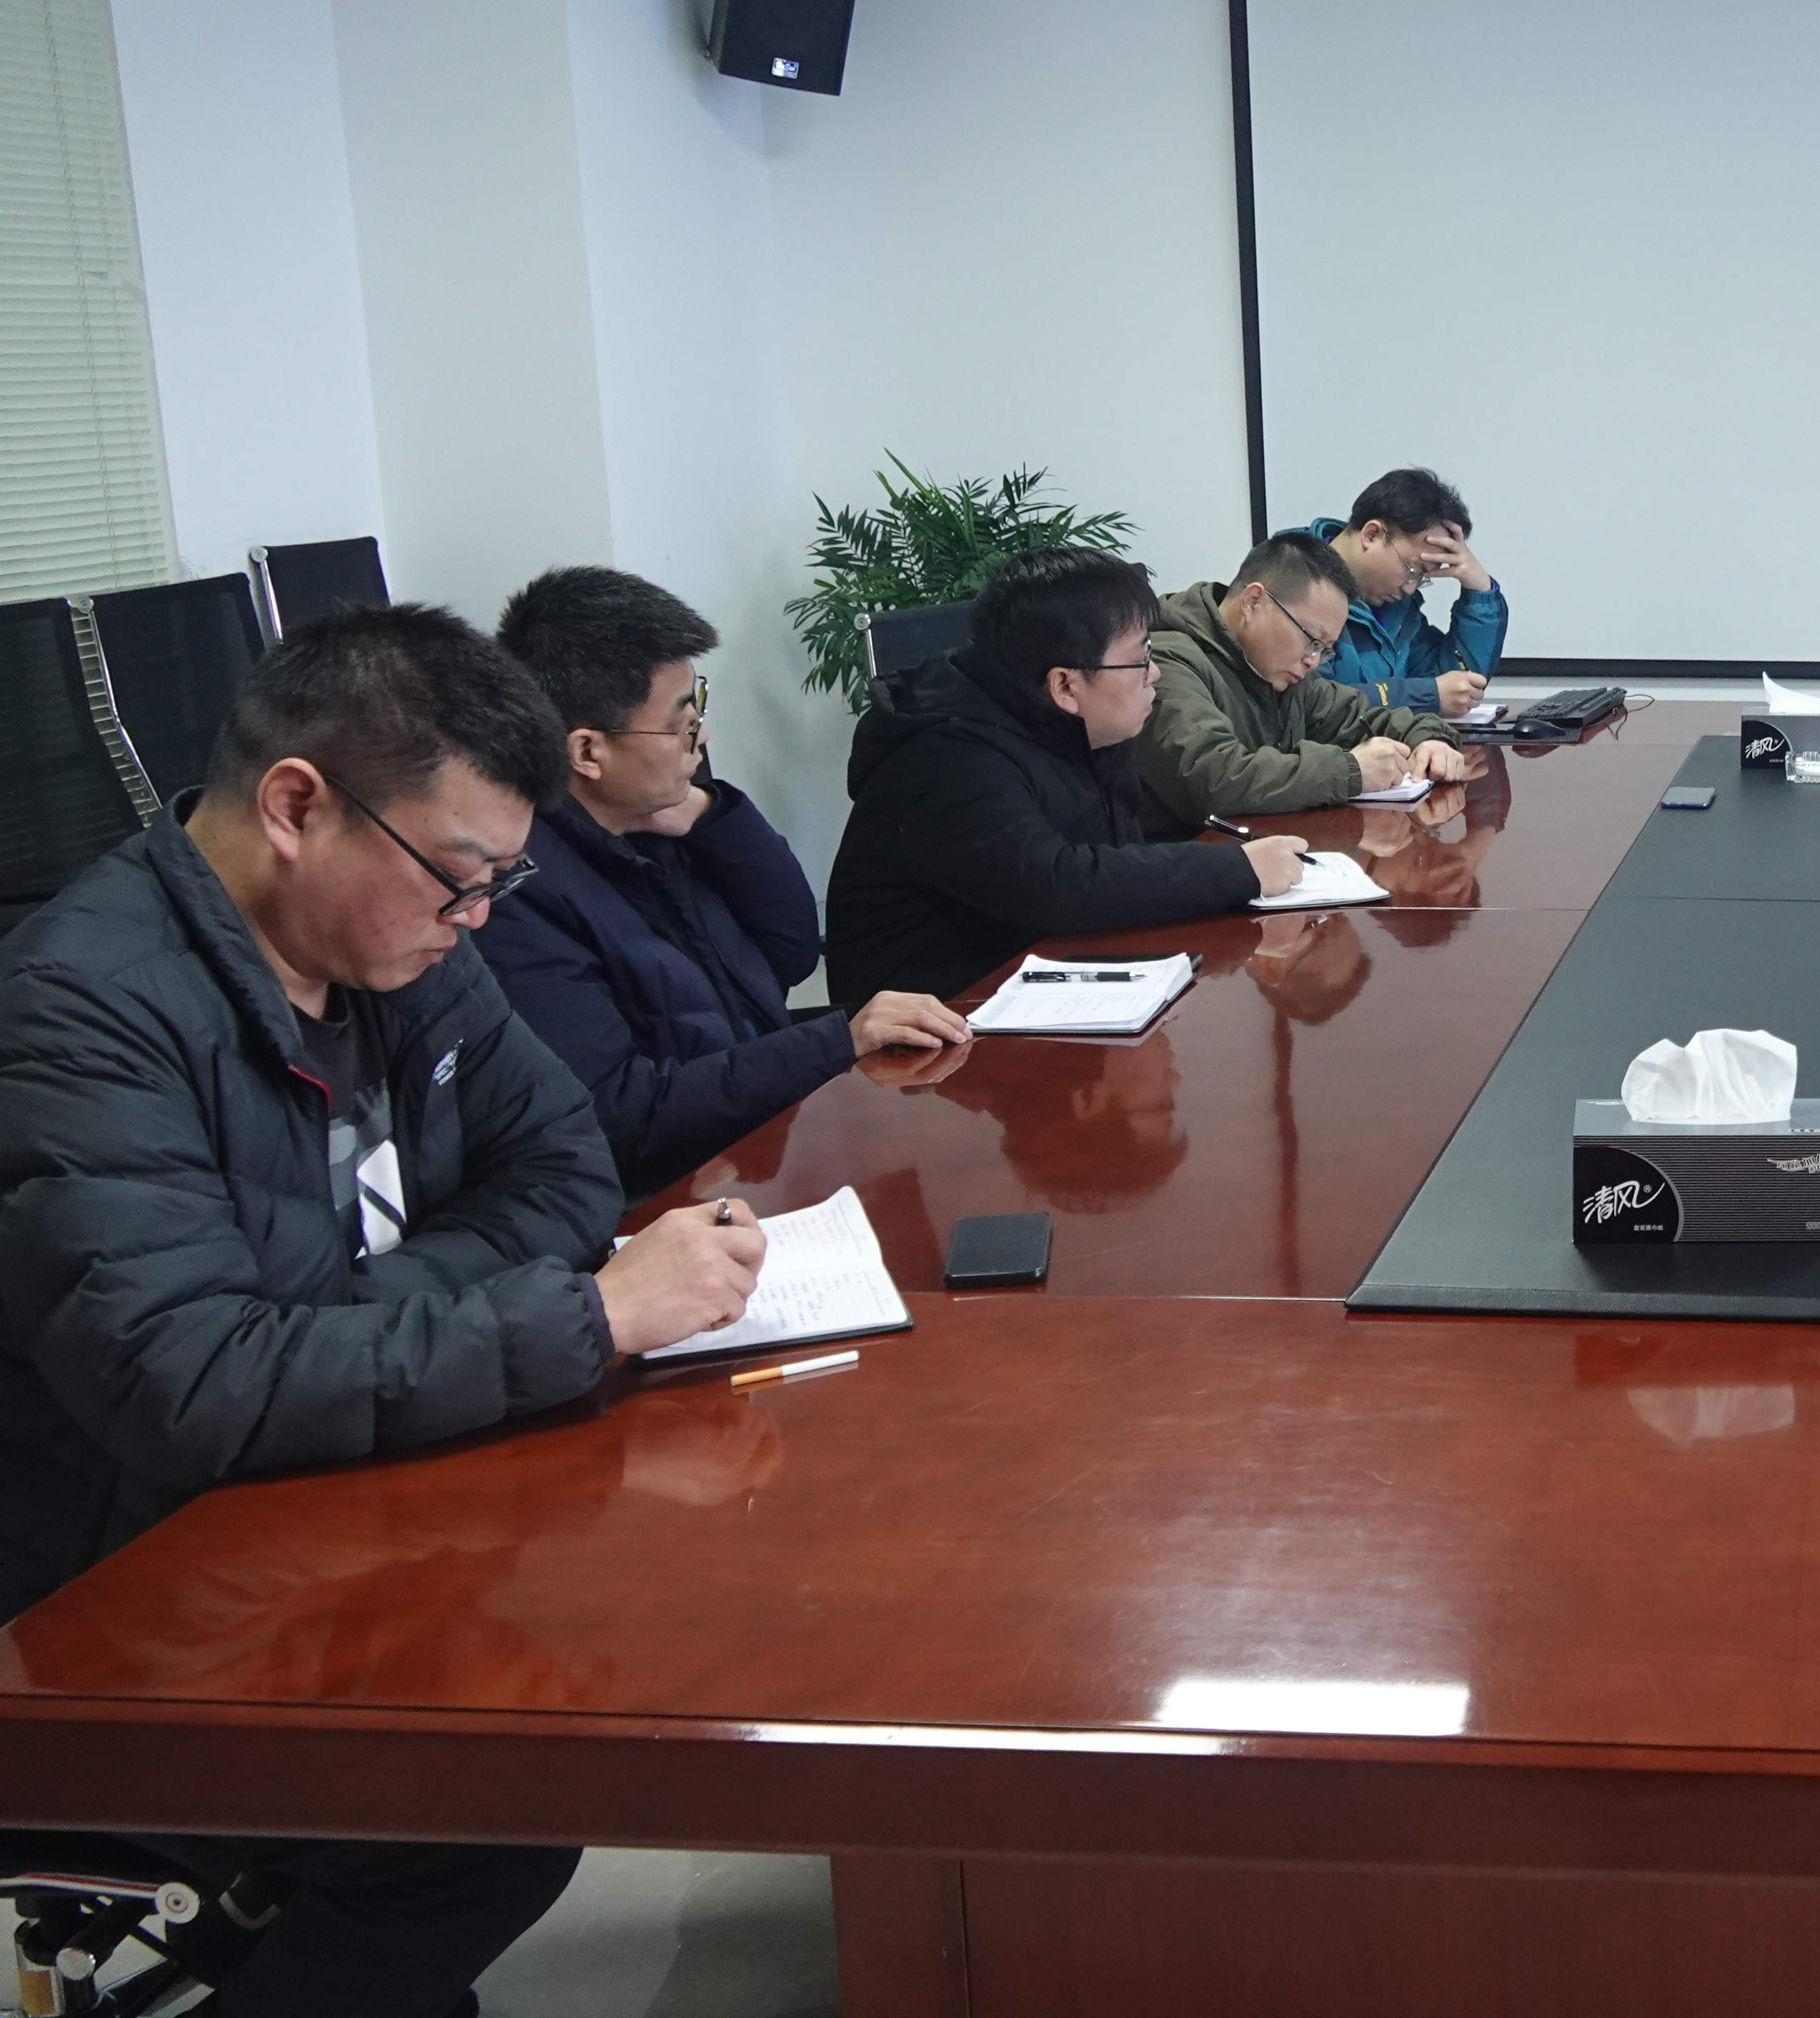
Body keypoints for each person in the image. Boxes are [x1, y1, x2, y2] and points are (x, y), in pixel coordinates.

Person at [0, 603, 780, 2014]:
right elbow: (194, 1383)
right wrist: (583, 1318)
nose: (477, 918)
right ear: (296, 804)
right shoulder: (79, 1008)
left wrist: (333, 1313)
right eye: (457, 876)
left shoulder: (403, 942)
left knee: (617, 1654)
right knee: (476, 1817)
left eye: (498, 882)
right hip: (118, 1591)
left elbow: (567, 1164)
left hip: (321, 1487)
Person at [477, 567, 971, 1197]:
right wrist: (837, 1043)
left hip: (758, 1138)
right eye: (680, 723)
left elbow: (791, 952)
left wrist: (716, 818)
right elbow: (625, 1115)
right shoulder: (517, 897)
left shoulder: (656, 818)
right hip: (676, 1197)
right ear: (587, 753)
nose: (701, 736)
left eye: (699, 706)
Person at [822, 547, 1308, 1004]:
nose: (1155, 674)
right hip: (936, 1027)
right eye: (1141, 658)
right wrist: (1236, 869)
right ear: (1065, 685)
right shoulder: (948, 755)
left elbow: (1114, 858)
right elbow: (1056, 884)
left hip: (1050, 980)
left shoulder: (1074, 725)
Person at [1128, 532, 1474, 828]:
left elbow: (1365, 718)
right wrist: (1350, 771)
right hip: (1185, 865)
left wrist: (1431, 740)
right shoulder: (1167, 663)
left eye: (1325, 649)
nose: (1313, 661)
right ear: (1254, 601)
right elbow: (1213, 778)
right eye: (1311, 639)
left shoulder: (1283, 675)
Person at [1295, 465, 1506, 718]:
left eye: (1421, 578)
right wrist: (1425, 696)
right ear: (1372, 535)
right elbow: (1312, 703)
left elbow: (1453, 683)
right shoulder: (1292, 586)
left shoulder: (1396, 609)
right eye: (1412, 569)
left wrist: (1480, 593)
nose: (1410, 587)